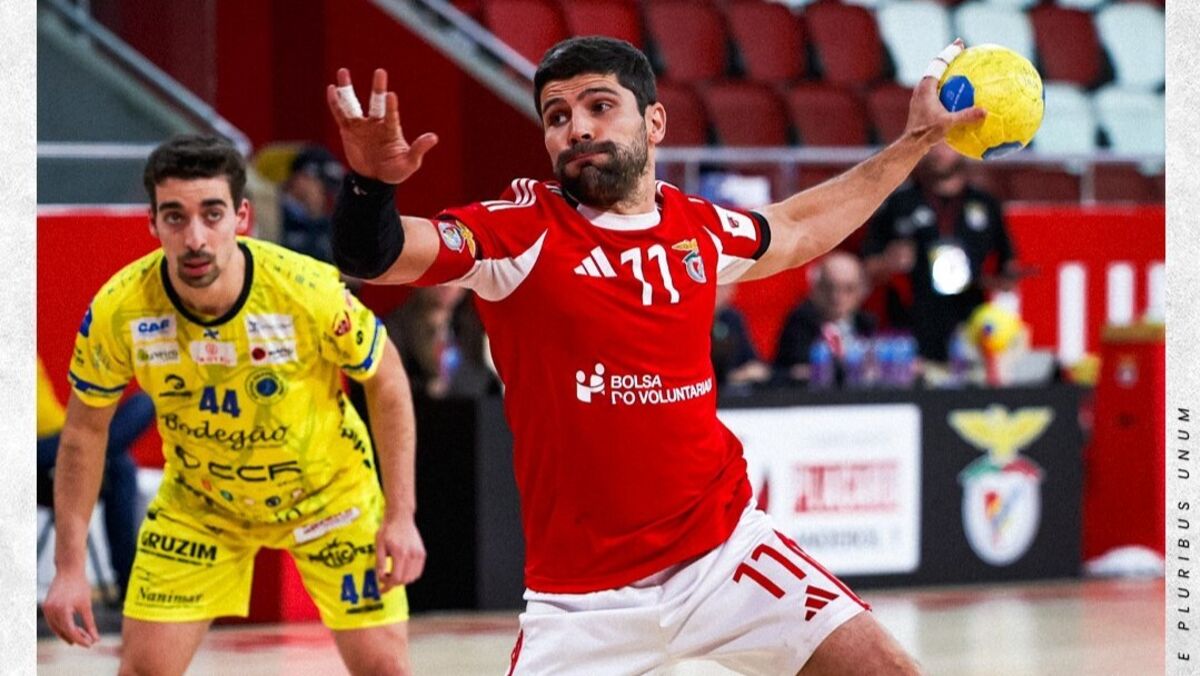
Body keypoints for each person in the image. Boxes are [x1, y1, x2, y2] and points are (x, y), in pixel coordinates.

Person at [327, 36, 982, 674]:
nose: (577, 128)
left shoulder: (699, 226)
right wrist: (369, 188)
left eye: (599, 106)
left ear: (655, 122)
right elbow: (379, 256)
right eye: (557, 117)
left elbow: (796, 227)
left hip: (724, 557)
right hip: (583, 603)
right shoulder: (517, 232)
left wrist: (914, 142)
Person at [42, 134, 425, 676]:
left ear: (241, 217)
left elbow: (387, 380)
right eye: (175, 217)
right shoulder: (120, 309)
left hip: (329, 500)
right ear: (152, 223)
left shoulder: (306, 289)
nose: (195, 237)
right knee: (144, 670)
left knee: (385, 669)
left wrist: (401, 515)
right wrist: (68, 567)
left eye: (212, 214)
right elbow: (84, 432)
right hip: (203, 506)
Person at [863, 142, 1020, 363]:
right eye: (932, 143)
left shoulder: (985, 204)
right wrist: (889, 263)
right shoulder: (898, 203)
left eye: (948, 143)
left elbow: (1008, 267)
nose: (938, 151)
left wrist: (997, 280)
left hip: (971, 325)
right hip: (912, 326)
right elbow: (866, 267)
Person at [38, 355, 155, 602]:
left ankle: (130, 589)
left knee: (120, 467)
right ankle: (91, 445)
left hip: (58, 445)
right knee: (147, 402)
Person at [774, 252, 877, 386]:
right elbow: (792, 371)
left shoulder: (866, 323)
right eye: (829, 287)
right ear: (815, 288)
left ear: (861, 291)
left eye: (848, 289)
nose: (837, 297)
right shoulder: (800, 323)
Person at [280, 144, 344, 262]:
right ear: (301, 179)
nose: (327, 194)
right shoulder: (269, 212)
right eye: (322, 186)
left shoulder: (329, 224)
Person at [711, 284, 771, 389]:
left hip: (734, 388)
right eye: (718, 287)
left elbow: (751, 358)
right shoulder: (695, 320)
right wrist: (730, 376)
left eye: (727, 287)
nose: (721, 293)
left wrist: (746, 372)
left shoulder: (732, 318)